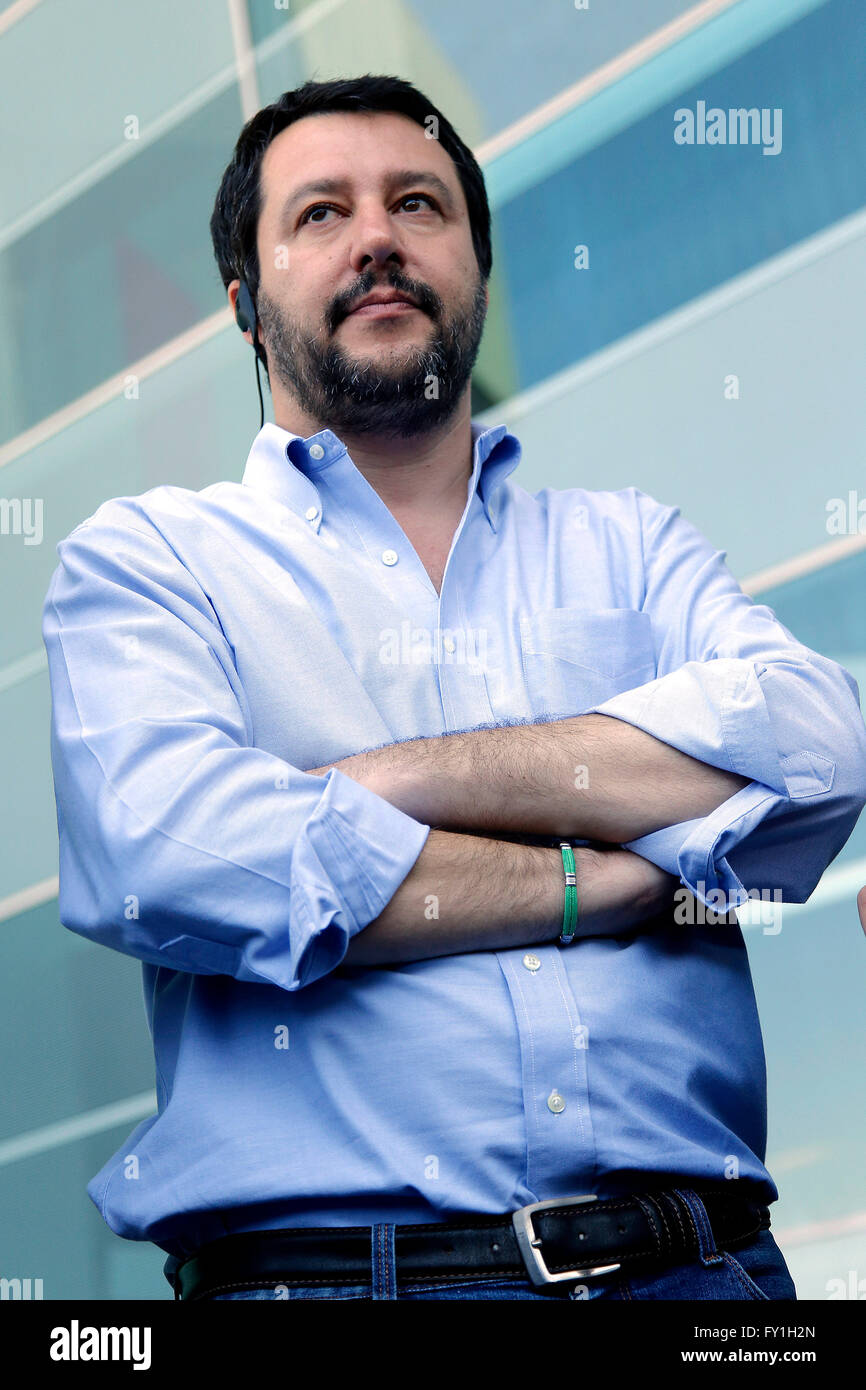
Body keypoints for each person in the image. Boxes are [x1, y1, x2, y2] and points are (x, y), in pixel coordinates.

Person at [42, 75, 866, 1303]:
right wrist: (604, 875)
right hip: (325, 1286)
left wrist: (394, 781)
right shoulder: (153, 561)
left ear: (475, 269)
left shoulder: (628, 547)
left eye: (416, 203)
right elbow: (173, 853)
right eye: (320, 214)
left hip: (702, 1278)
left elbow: (817, 749)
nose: (376, 235)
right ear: (244, 306)